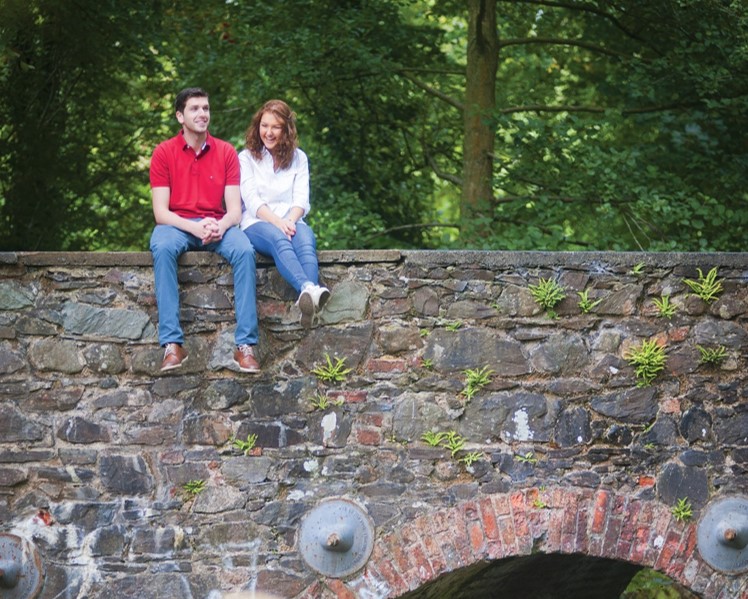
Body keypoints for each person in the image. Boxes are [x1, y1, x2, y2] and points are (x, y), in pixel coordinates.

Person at [149, 87, 261, 373]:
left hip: (217, 224)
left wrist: (219, 225)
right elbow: (161, 213)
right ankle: (173, 345)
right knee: (161, 247)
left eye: (206, 108)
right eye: (195, 109)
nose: (202, 114)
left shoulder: (225, 151)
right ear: (180, 116)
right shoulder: (163, 153)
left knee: (245, 250)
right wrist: (195, 228)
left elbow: (235, 211)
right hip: (178, 225)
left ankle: (245, 346)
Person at [239, 100, 330, 328]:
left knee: (307, 240)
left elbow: (301, 199)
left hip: (291, 219)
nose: (268, 132)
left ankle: (311, 304)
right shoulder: (246, 158)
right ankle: (309, 288)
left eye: (275, 127)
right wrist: (279, 222)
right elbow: (252, 201)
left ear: (286, 130)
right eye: (264, 125)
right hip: (258, 222)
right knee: (280, 238)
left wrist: (289, 220)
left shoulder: (299, 158)